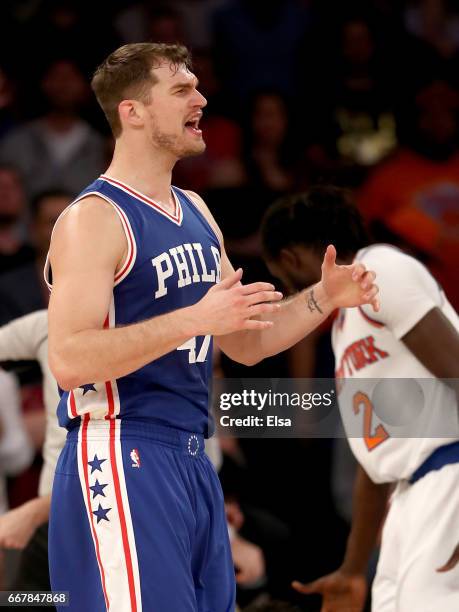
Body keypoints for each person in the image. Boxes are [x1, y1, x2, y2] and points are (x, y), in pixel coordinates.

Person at [45, 43, 378, 611]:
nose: (201, 99)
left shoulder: (196, 211)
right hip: (121, 451)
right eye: (181, 90)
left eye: (198, 86)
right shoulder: (94, 218)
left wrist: (323, 297)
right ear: (134, 112)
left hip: (191, 454)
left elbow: (245, 344)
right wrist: (194, 318)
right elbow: (71, 360)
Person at [261, 185, 459, 612]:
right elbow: (373, 464)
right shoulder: (346, 324)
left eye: (281, 276)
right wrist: (352, 569)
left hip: (448, 475)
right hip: (408, 499)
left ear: (291, 259)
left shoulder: (381, 268)